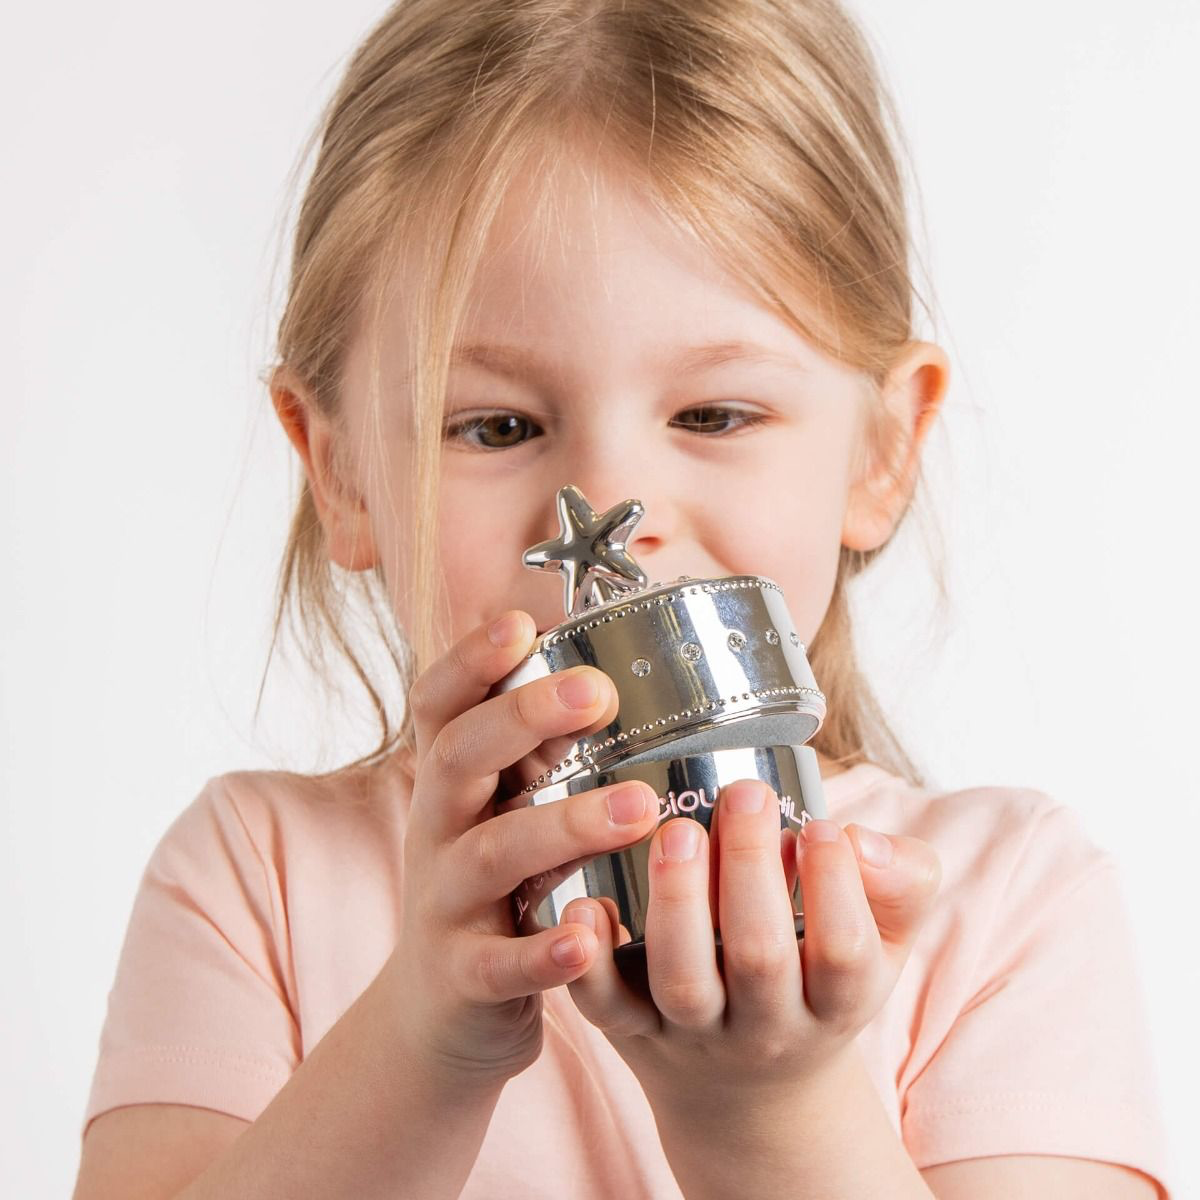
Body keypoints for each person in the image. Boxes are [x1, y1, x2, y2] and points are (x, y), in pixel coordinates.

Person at [72, 1, 1173, 1197]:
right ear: (341, 471)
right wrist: (422, 1041)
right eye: (495, 426)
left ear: (880, 452)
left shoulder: (1001, 904)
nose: (604, 520)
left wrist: (773, 1113)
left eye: (714, 414)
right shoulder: (257, 879)